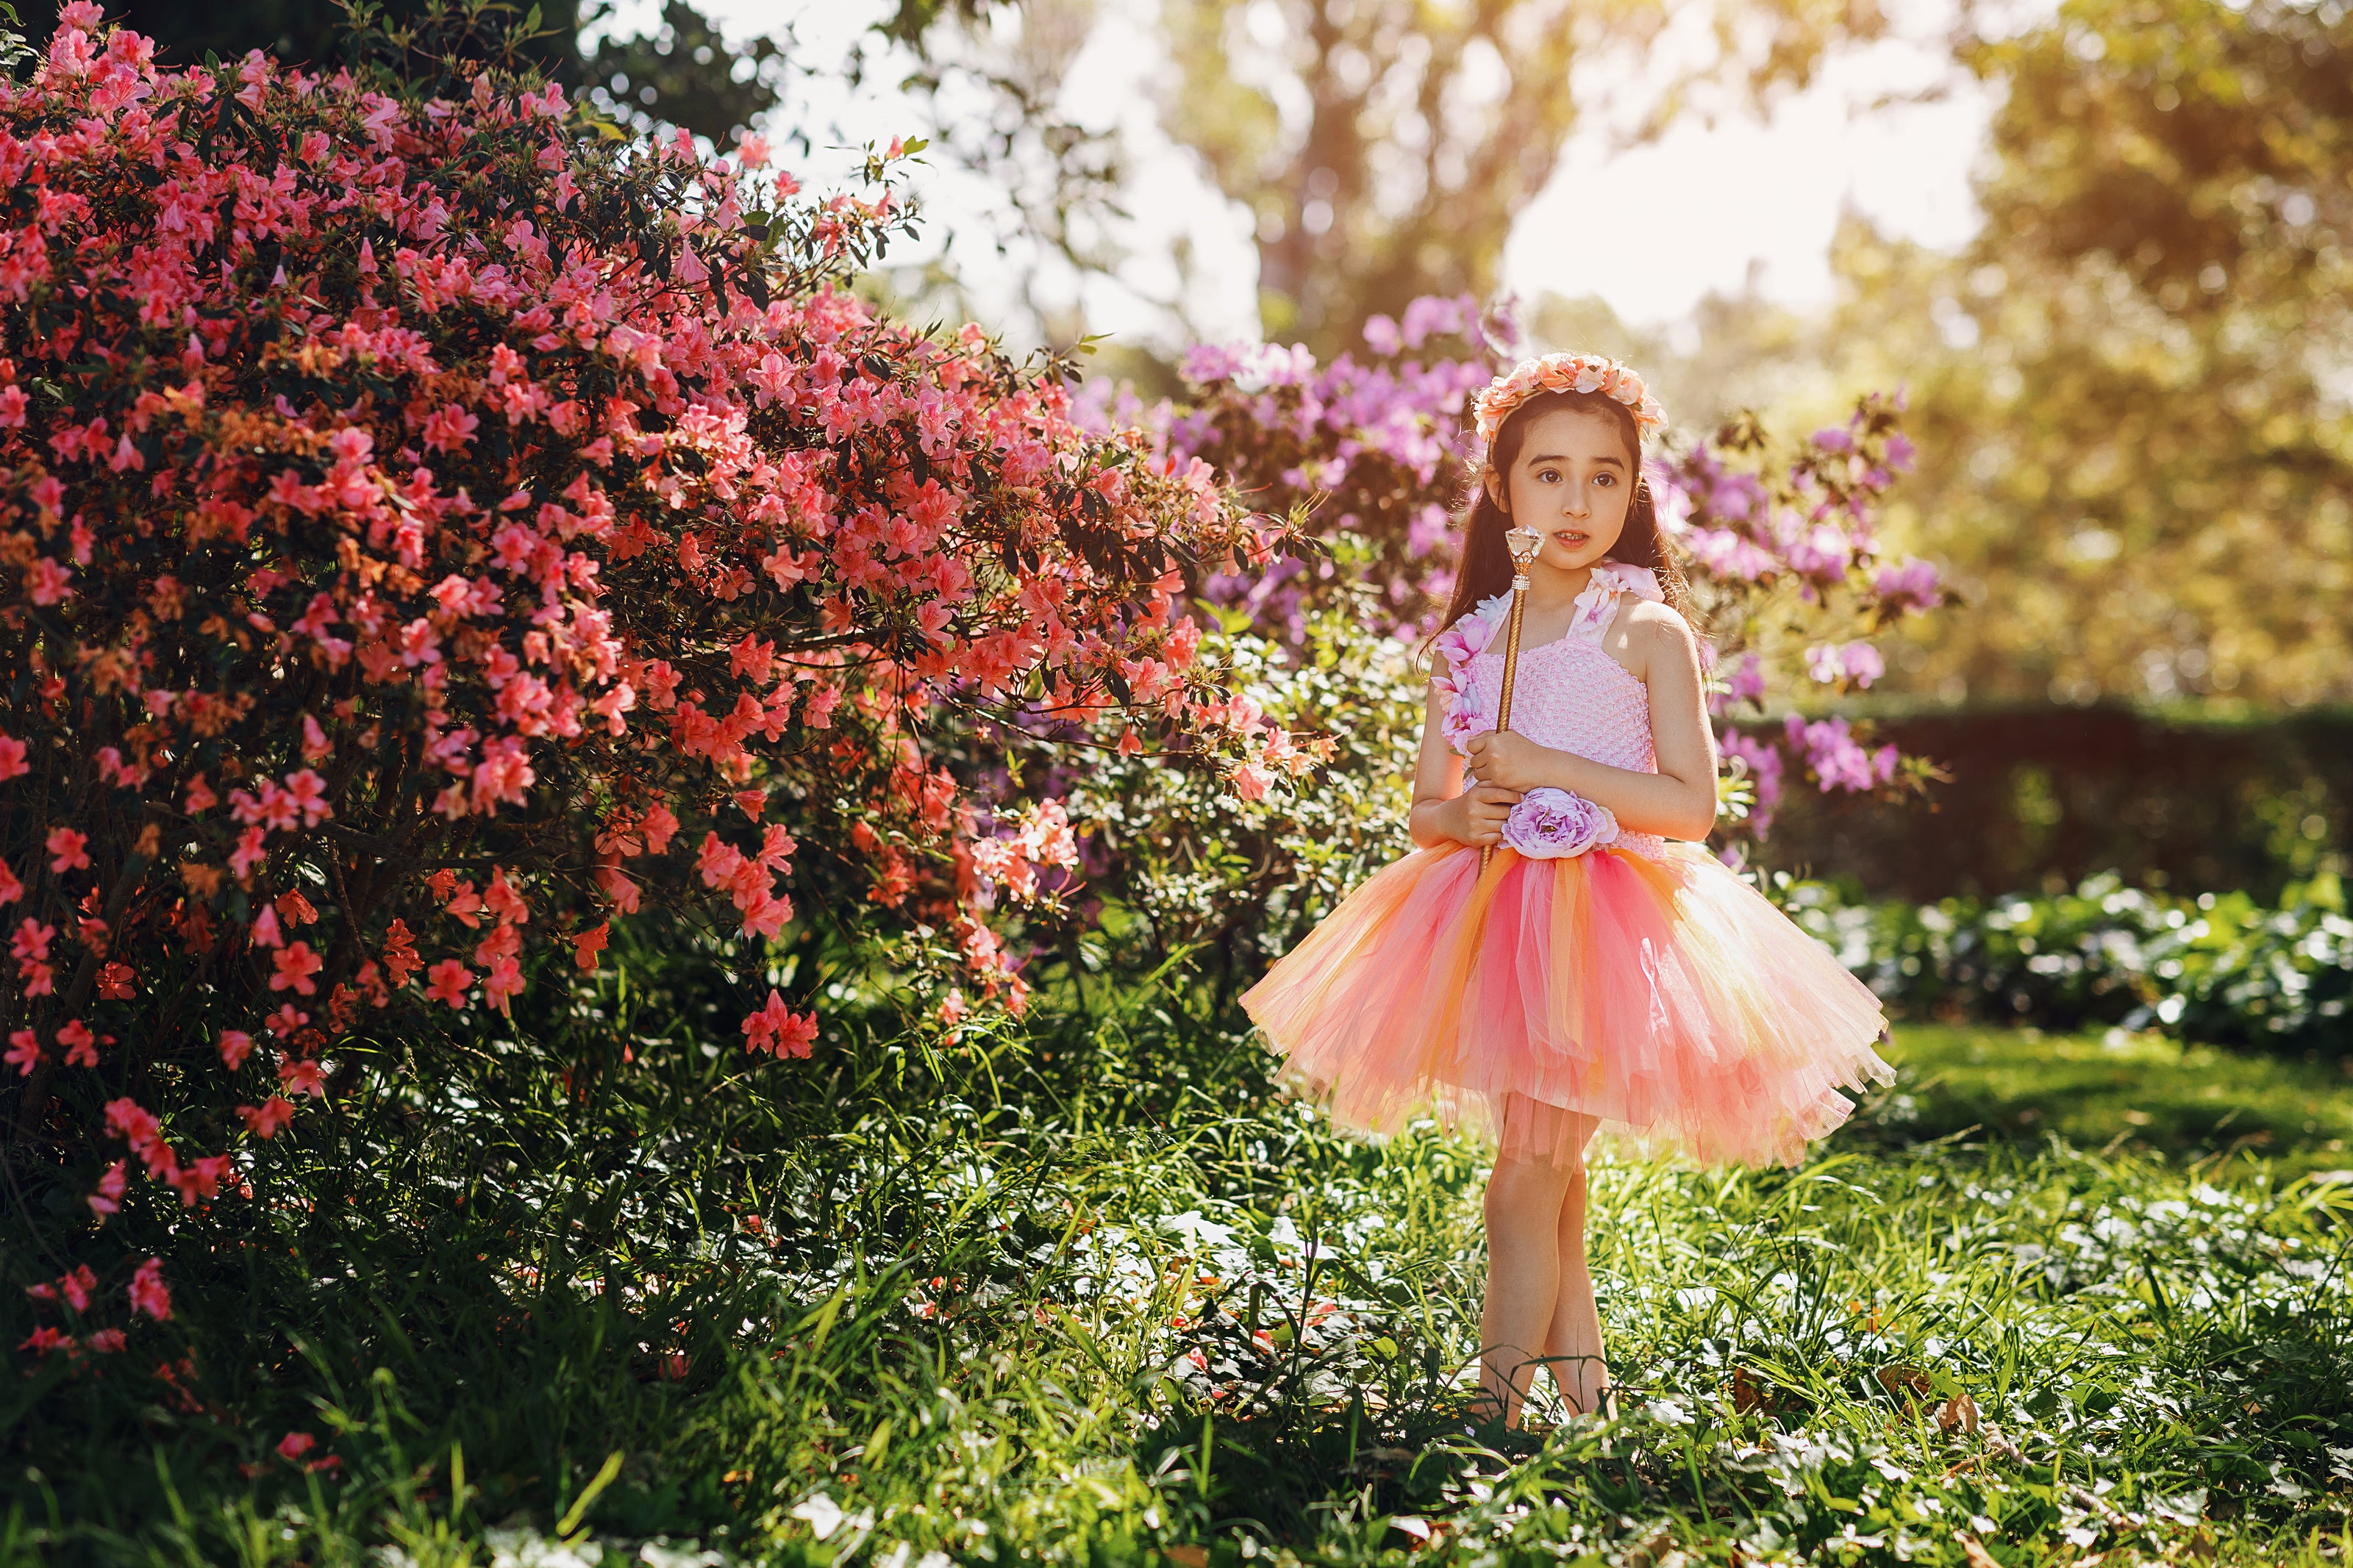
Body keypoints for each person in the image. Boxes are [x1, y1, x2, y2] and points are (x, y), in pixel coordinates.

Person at [1239, 352, 1894, 1428]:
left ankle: (1491, 1416)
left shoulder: (1646, 628)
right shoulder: (1471, 644)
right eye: (1549, 474)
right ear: (1501, 491)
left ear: (1634, 490)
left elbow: (1689, 804)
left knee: (1524, 1179)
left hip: (1605, 922)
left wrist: (1547, 765)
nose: (1578, 499)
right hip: (1494, 920)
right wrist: (1462, 816)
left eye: (1604, 476)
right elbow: (1426, 809)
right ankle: (1584, 1410)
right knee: (1552, 1180)